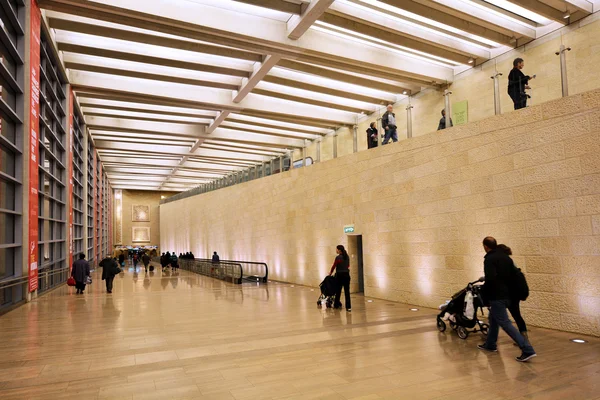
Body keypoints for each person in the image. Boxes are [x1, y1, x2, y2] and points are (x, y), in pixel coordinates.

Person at [478, 237, 536, 362]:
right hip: (508, 294)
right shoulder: (506, 257)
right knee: (493, 319)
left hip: (497, 295)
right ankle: (490, 344)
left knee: (505, 323)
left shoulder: (489, 259)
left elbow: (491, 279)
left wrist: (485, 295)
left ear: (486, 246)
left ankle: (527, 349)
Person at [497, 244, 529, 345]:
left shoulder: (505, 262)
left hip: (509, 294)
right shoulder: (511, 261)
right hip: (515, 293)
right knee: (516, 315)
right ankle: (524, 337)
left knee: (501, 316)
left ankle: (523, 341)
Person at [329, 245, 351, 312]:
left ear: (339, 250)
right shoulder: (347, 256)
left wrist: (330, 273)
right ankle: (348, 307)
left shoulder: (338, 257)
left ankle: (336, 305)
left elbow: (334, 266)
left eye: (336, 249)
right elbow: (348, 265)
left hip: (339, 275)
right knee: (347, 292)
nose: (336, 250)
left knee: (338, 291)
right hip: (346, 275)